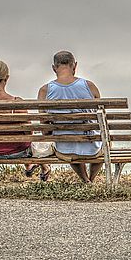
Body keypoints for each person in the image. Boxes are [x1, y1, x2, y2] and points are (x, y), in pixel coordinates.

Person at [0, 60, 47, 180]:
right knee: (35, 145)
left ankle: (30, 167)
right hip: (19, 153)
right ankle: (42, 167)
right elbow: (29, 133)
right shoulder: (16, 103)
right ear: (7, 78)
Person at [38, 51, 103, 183]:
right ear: (75, 66)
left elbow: (45, 129)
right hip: (92, 149)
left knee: (69, 144)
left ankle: (86, 180)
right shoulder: (90, 86)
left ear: (54, 68)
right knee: (105, 142)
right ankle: (91, 179)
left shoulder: (45, 91)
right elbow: (100, 120)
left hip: (64, 149)